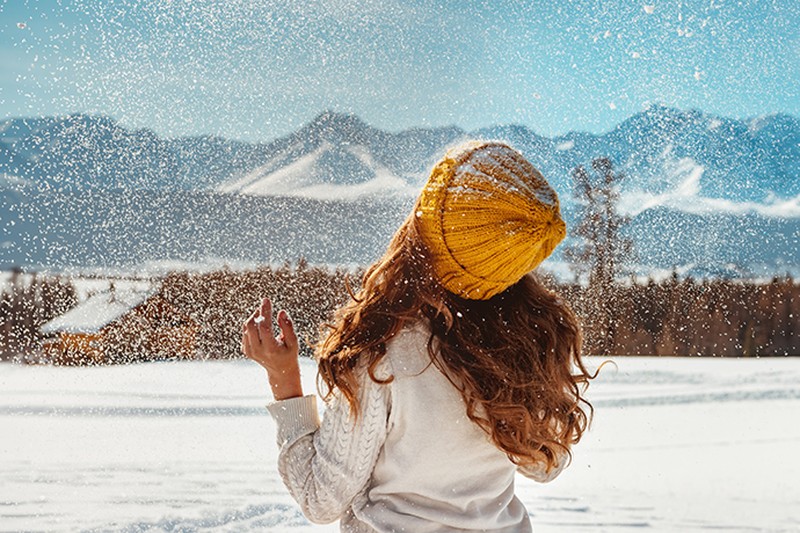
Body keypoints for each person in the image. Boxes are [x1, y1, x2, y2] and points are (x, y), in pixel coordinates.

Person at [241, 140, 595, 532]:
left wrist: (284, 381)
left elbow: (320, 499)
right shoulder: (527, 345)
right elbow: (546, 466)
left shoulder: (383, 355)